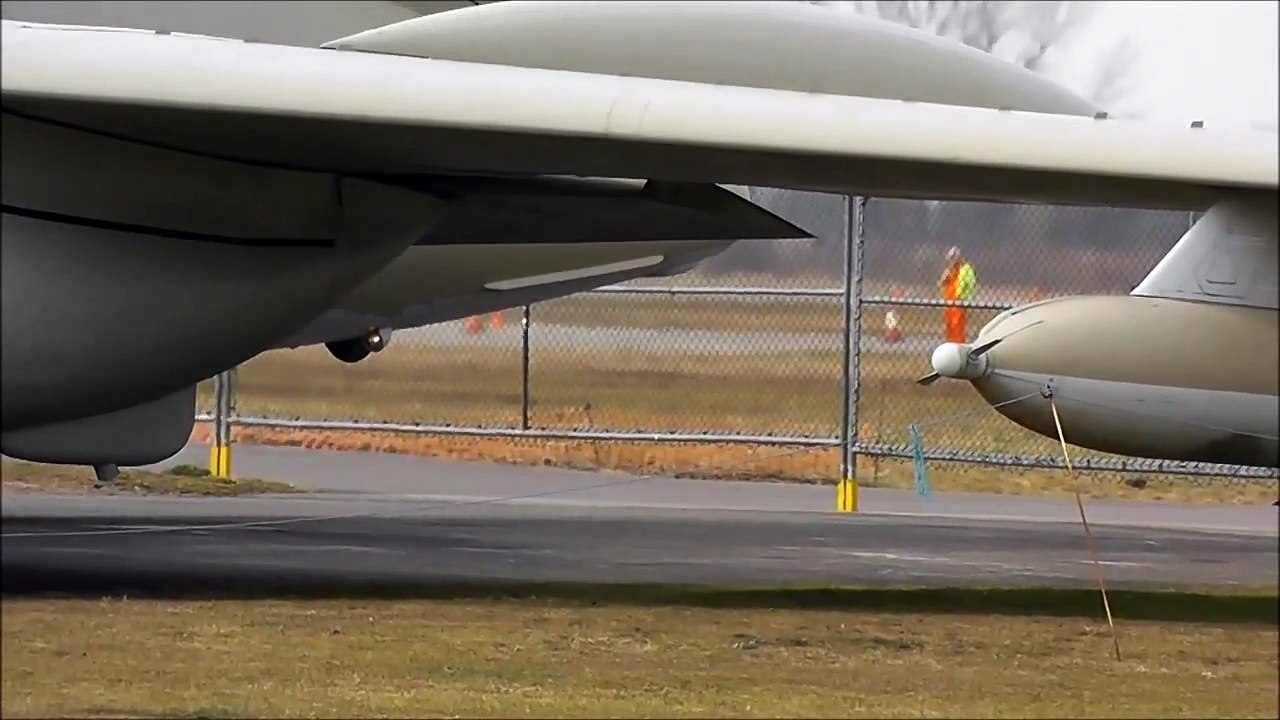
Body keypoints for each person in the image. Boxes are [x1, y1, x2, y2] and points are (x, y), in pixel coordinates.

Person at [938, 246, 976, 344]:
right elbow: (941, 284)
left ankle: (958, 344)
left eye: (952, 259)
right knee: (949, 326)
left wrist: (964, 296)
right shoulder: (949, 271)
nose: (950, 262)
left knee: (957, 326)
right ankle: (950, 344)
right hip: (949, 302)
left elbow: (970, 284)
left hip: (959, 301)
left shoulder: (965, 269)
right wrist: (945, 277)